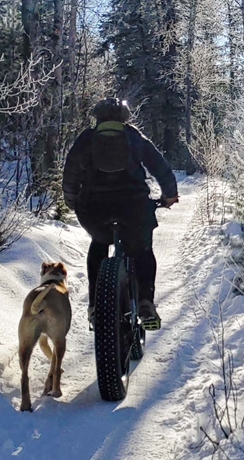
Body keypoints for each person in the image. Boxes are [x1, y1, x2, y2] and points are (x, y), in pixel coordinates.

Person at [62, 97, 179, 329]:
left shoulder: (86, 139)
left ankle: (96, 306)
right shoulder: (134, 137)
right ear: (124, 118)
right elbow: (161, 168)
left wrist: (72, 201)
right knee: (142, 249)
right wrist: (169, 196)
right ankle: (146, 301)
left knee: (98, 245)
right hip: (134, 209)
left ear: (98, 117)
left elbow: (70, 174)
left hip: (94, 211)